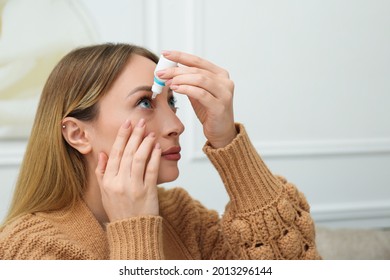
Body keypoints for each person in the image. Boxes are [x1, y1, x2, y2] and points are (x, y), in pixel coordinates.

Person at [0, 43, 321, 260]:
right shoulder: (29, 248)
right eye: (144, 102)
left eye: (172, 102)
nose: (177, 125)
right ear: (78, 133)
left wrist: (227, 141)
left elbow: (294, 260)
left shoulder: (180, 215)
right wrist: (135, 226)